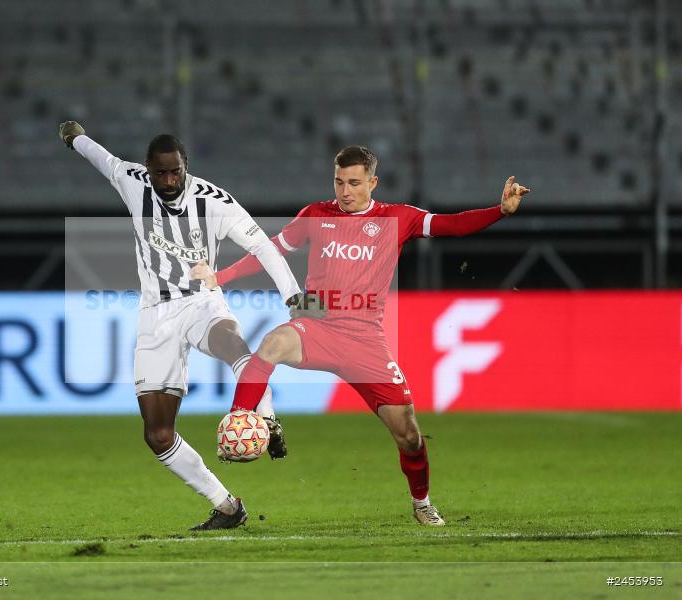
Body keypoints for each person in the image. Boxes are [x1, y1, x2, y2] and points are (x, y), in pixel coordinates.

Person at [198, 145, 530, 526]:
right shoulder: (315, 215)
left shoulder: (397, 217)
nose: (345, 191)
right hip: (318, 326)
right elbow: (268, 252)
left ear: (373, 182)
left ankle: (421, 502)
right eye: (339, 182)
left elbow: (450, 225)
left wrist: (499, 212)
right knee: (271, 344)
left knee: (408, 435)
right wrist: (218, 277)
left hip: (366, 341)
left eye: (354, 183)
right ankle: (242, 419)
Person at [59, 120, 320, 530]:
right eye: (160, 172)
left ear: (186, 166)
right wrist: (75, 138)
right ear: (147, 169)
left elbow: (263, 247)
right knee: (158, 435)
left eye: (175, 171)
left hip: (201, 301)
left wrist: (293, 297)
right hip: (154, 315)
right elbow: (102, 158)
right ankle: (227, 506)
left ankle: (266, 417)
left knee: (233, 345)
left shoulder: (213, 201)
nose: (168, 180)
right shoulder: (131, 181)